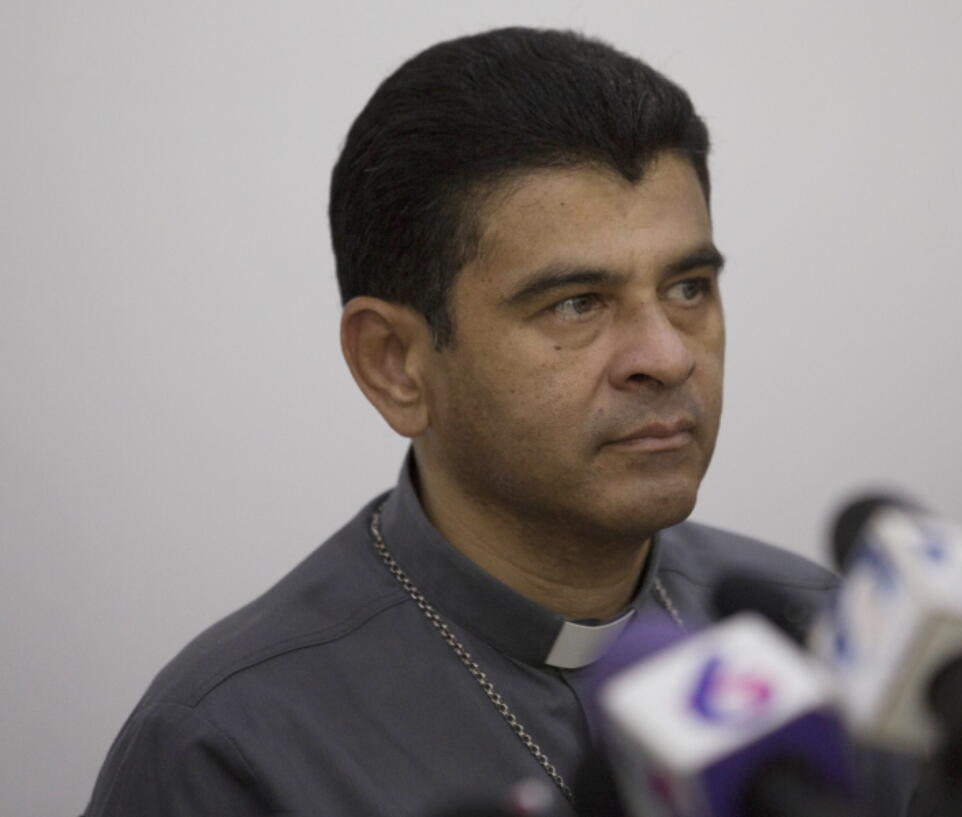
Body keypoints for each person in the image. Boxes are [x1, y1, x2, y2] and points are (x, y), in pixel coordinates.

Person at [83, 27, 905, 817]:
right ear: (395, 363)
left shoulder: (830, 638)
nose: (667, 355)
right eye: (578, 304)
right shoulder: (230, 746)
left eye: (688, 287)